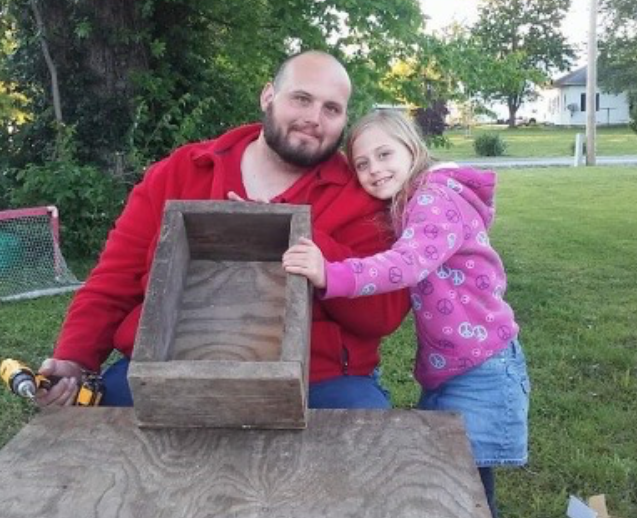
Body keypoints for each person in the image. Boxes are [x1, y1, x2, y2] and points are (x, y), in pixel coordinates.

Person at [36, 51, 409, 410]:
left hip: (321, 381)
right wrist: (73, 359)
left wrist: (302, 242)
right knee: (104, 432)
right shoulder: (180, 172)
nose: (314, 118)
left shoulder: (361, 194)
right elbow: (114, 279)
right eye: (301, 99)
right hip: (172, 370)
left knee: (362, 435)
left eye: (331, 109)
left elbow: (383, 313)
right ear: (268, 96)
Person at [282, 110, 529, 518]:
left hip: (483, 367)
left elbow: (406, 265)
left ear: (412, 148)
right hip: (451, 365)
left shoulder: (435, 198)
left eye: (384, 154)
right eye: (362, 163)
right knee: (443, 475)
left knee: (466, 487)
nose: (374, 170)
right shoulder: (410, 201)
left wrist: (330, 272)